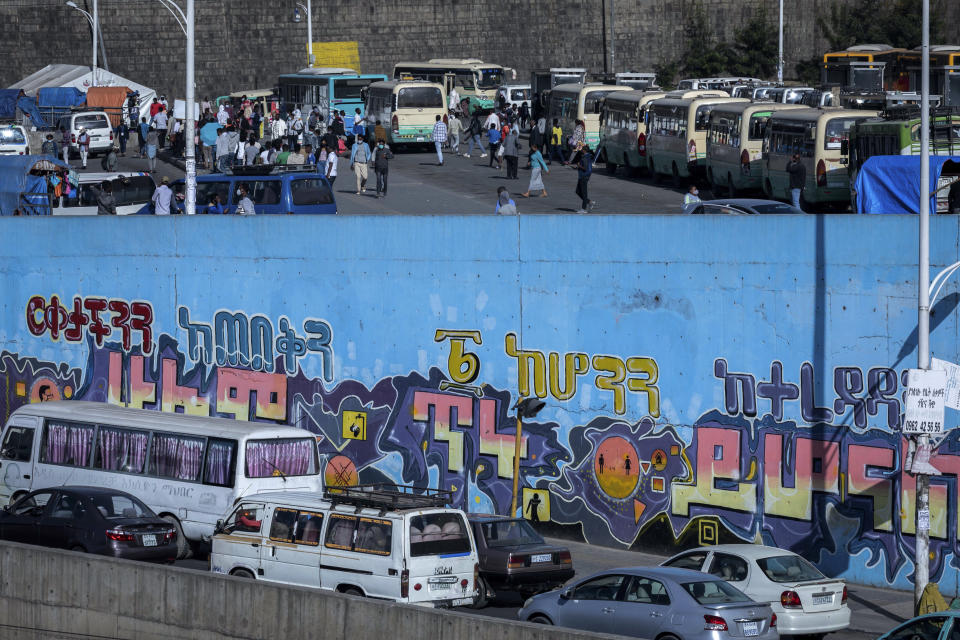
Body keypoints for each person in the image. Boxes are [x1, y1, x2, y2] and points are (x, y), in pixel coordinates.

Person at [575, 145, 595, 213]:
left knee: (584, 193)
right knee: (578, 191)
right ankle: (590, 202)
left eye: (582, 149)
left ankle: (583, 209)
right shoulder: (586, 156)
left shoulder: (585, 158)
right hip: (582, 176)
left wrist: (579, 166)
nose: (581, 150)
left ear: (584, 150)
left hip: (584, 176)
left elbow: (585, 168)